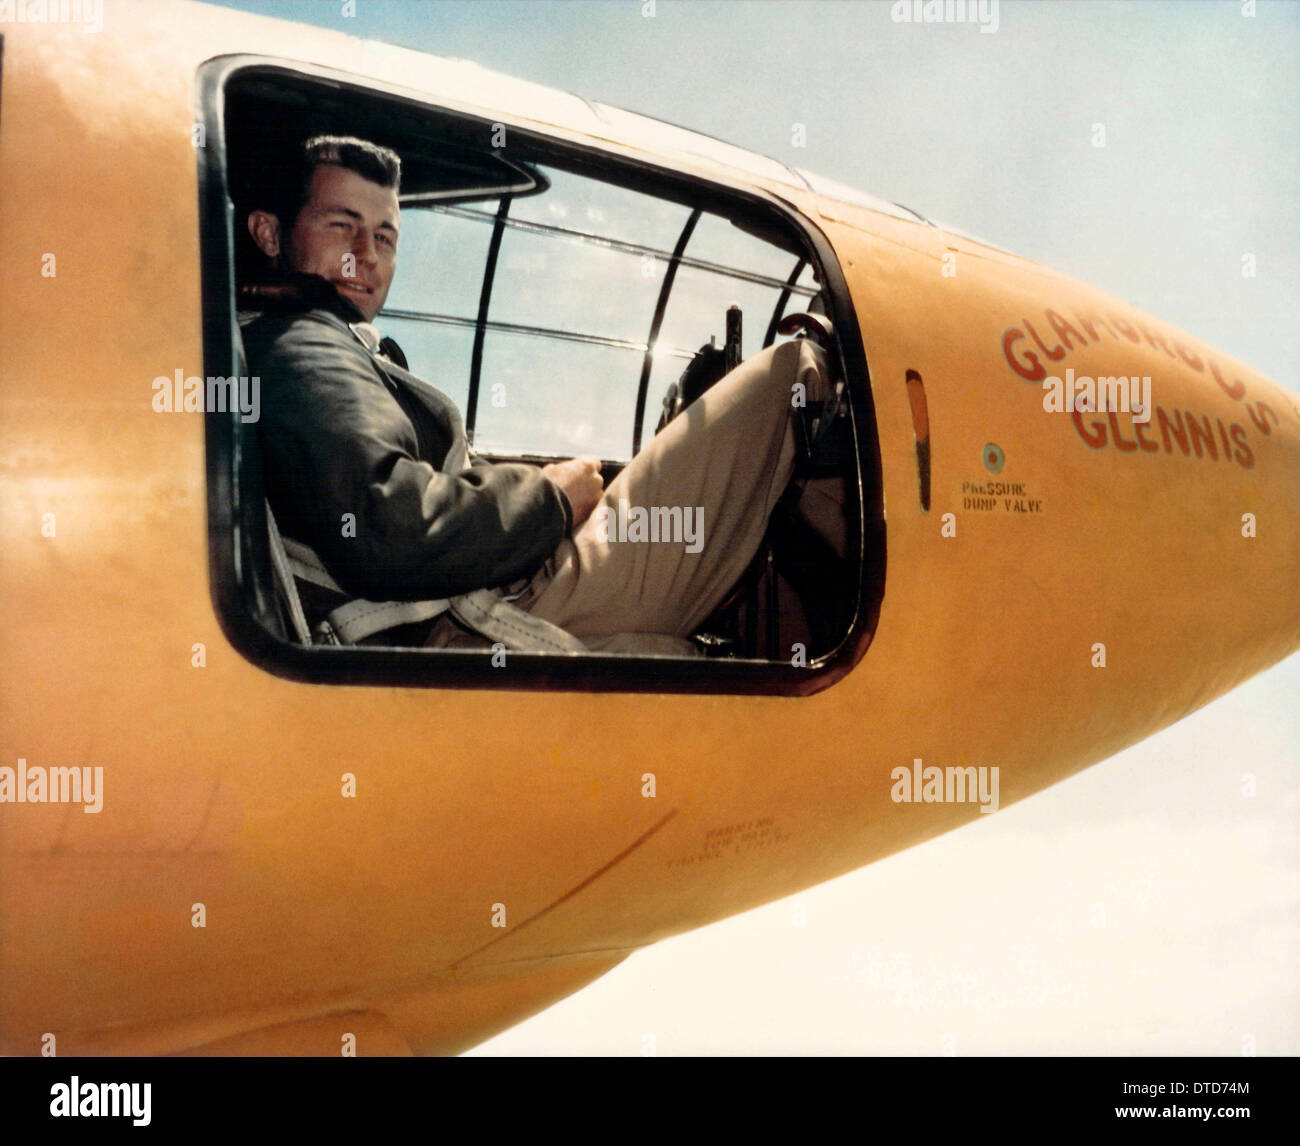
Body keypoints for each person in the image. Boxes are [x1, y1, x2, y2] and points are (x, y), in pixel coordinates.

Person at [241, 135, 833, 653]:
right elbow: (390, 526)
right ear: (269, 233)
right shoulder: (302, 340)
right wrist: (548, 496)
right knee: (792, 374)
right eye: (342, 226)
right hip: (481, 613)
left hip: (480, 602)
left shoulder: (317, 342)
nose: (367, 255)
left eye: (386, 237)